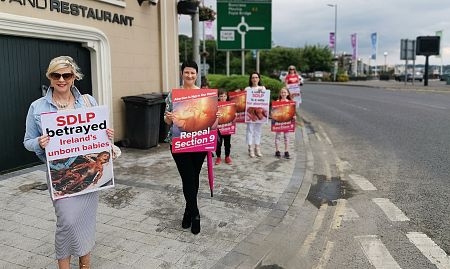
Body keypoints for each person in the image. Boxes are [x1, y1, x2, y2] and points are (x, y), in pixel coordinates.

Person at [23, 56, 114, 269]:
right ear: (50, 77)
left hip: (89, 176)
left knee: (85, 220)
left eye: (67, 75)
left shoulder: (88, 101)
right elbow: (27, 142)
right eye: (56, 75)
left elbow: (100, 135)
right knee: (67, 222)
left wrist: (108, 134)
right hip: (58, 171)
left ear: (74, 77)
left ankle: (85, 264)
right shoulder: (37, 107)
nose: (61, 79)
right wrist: (39, 142)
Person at [164, 61, 218, 235]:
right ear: (182, 73)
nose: (189, 76)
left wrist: (216, 116)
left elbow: (212, 123)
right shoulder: (173, 95)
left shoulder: (204, 95)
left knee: (193, 178)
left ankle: (188, 211)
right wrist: (169, 118)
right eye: (186, 72)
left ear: (196, 75)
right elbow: (166, 120)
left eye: (192, 73)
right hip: (179, 142)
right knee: (188, 178)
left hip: (199, 142)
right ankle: (195, 214)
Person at [245, 72, 267, 158]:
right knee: (250, 130)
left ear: (259, 79)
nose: (254, 79)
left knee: (258, 130)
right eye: (253, 77)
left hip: (260, 111)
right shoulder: (247, 89)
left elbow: (265, 100)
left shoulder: (262, 88)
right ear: (250, 79)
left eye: (256, 77)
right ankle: (250, 147)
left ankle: (257, 147)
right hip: (250, 112)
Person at [273, 87, 296, 159]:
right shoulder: (277, 101)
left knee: (286, 137)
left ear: (288, 94)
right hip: (279, 122)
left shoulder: (290, 102)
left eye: (285, 92)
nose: (283, 94)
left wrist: (294, 116)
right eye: (282, 92)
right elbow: (274, 112)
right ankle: (277, 151)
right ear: (280, 93)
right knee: (278, 136)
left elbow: (293, 112)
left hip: (287, 122)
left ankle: (286, 151)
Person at [215, 90, 232, 165]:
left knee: (227, 143)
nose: (223, 98)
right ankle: (218, 157)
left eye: (224, 96)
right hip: (218, 127)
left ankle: (227, 156)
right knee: (218, 143)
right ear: (218, 97)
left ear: (227, 97)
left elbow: (233, 115)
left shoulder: (230, 105)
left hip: (227, 127)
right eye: (221, 96)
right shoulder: (215, 105)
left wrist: (235, 116)